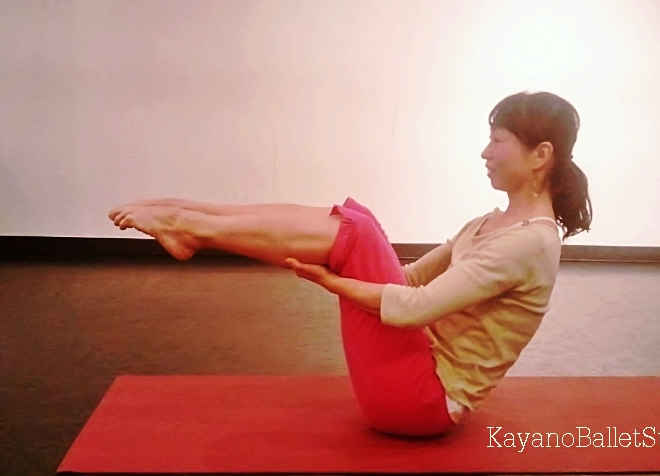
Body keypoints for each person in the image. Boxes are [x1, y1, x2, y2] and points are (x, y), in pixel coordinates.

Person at [108, 91, 592, 438]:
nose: (485, 152)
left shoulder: (529, 243)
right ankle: (195, 215)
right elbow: (408, 279)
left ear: (540, 155)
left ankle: (193, 226)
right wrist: (343, 271)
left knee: (357, 233)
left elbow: (413, 307)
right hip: (411, 375)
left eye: (498, 140)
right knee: (360, 222)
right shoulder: (488, 223)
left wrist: (331, 281)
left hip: (421, 403)